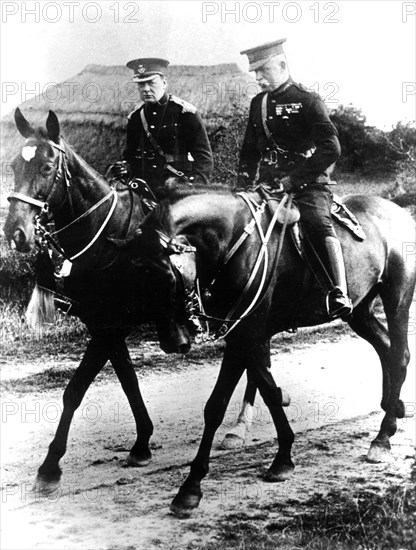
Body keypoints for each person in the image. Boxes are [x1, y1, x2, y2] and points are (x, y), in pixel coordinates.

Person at [238, 38, 352, 319]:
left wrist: (294, 180)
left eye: (263, 70)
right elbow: (249, 149)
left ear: (282, 65)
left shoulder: (308, 100)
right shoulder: (259, 104)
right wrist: (242, 183)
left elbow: (331, 148)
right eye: (255, 72)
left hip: (308, 185)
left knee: (315, 222)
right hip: (266, 186)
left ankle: (338, 291)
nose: (258, 77)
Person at [109, 58, 213, 192]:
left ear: (164, 83)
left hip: (178, 188)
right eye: (141, 84)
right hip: (145, 189)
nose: (146, 89)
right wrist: (124, 167)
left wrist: (196, 188)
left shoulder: (185, 113)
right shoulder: (135, 118)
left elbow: (204, 158)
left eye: (151, 83)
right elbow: (130, 155)